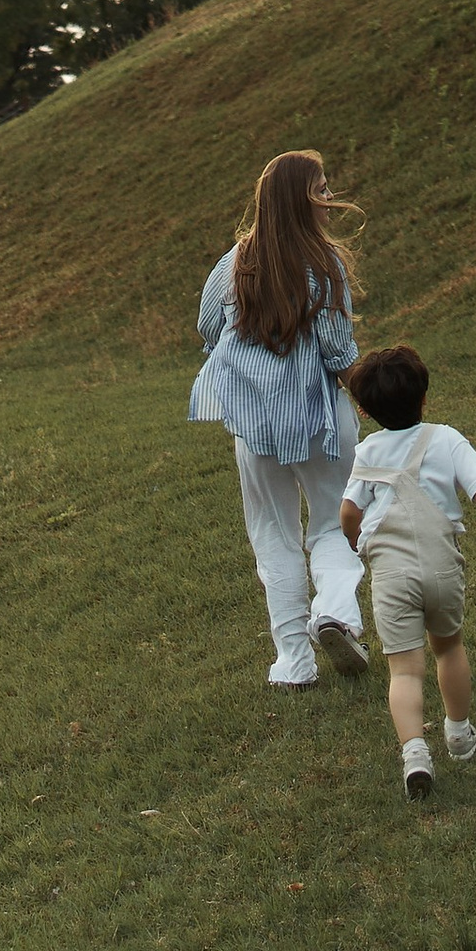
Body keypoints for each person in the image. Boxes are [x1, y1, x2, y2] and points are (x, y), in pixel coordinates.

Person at [189, 149, 371, 687]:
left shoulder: (233, 264)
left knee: (273, 534)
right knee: (335, 523)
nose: (330, 199)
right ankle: (335, 612)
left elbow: (206, 328)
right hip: (321, 420)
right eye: (322, 189)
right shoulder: (323, 264)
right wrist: (370, 396)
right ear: (302, 199)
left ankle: (293, 661)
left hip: (255, 425)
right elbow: (338, 353)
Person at [337, 343, 476, 801]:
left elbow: (349, 510)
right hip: (441, 568)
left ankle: (414, 753)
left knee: (404, 671)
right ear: (424, 398)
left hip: (392, 576)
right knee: (448, 647)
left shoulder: (367, 450)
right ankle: (458, 733)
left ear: (364, 412)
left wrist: (354, 542)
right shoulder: (445, 438)